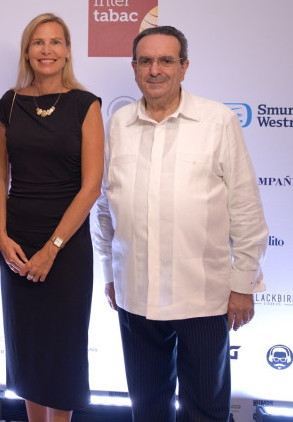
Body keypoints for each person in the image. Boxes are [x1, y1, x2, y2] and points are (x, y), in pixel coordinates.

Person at [93, 25, 268, 422]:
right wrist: (110, 273)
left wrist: (243, 286)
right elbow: (106, 207)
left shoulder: (217, 120)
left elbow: (245, 207)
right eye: (146, 61)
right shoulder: (118, 123)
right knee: (148, 408)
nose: (155, 70)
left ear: (184, 67)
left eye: (166, 61)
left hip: (204, 296)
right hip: (136, 293)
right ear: (134, 68)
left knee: (205, 409)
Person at [0, 13, 104, 422]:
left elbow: (91, 187)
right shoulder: (12, 102)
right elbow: (0, 172)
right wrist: (1, 234)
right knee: (27, 345)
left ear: (68, 50)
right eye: (39, 42)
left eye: (56, 42)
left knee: (62, 346)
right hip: (17, 242)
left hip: (67, 245)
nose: (47, 50)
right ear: (27, 51)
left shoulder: (85, 104)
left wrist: (53, 248)